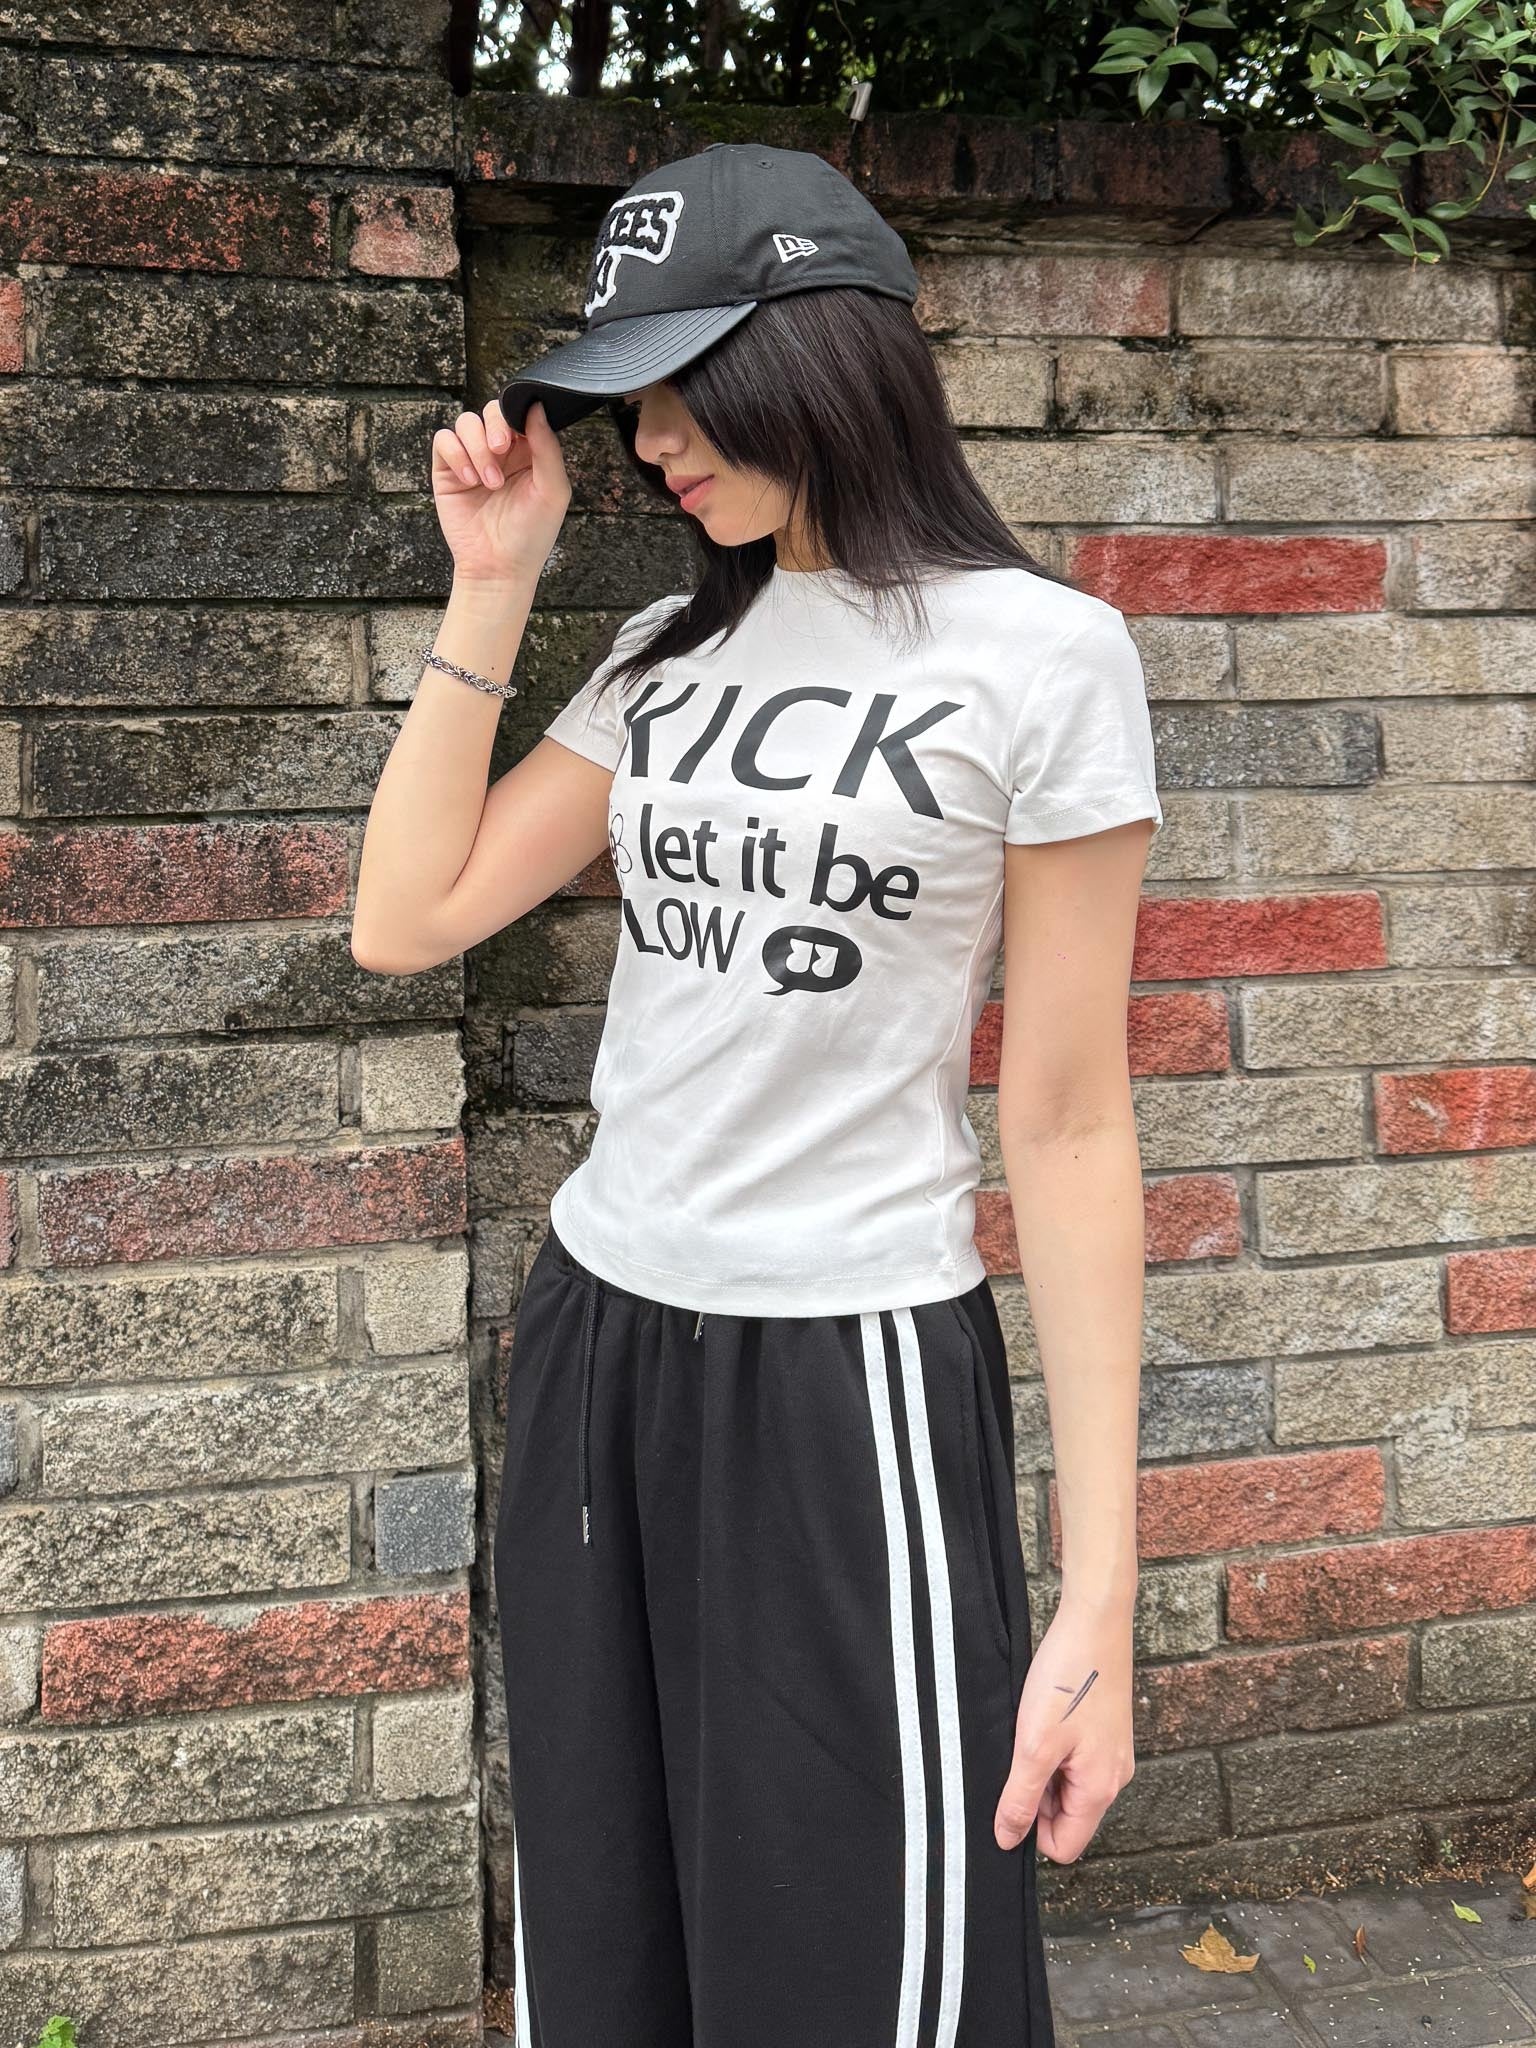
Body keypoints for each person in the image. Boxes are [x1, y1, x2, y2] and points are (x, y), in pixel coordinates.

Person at [352, 141, 1162, 2048]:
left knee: (854, 1967)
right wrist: (494, 583)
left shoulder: (1042, 658)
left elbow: (1065, 1122)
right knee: (607, 1937)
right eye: (626, 396)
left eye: (682, 384)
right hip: (597, 1336)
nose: (648, 441)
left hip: (845, 1370)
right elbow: (406, 918)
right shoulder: (664, 652)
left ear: (821, 352)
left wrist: (1102, 1598)